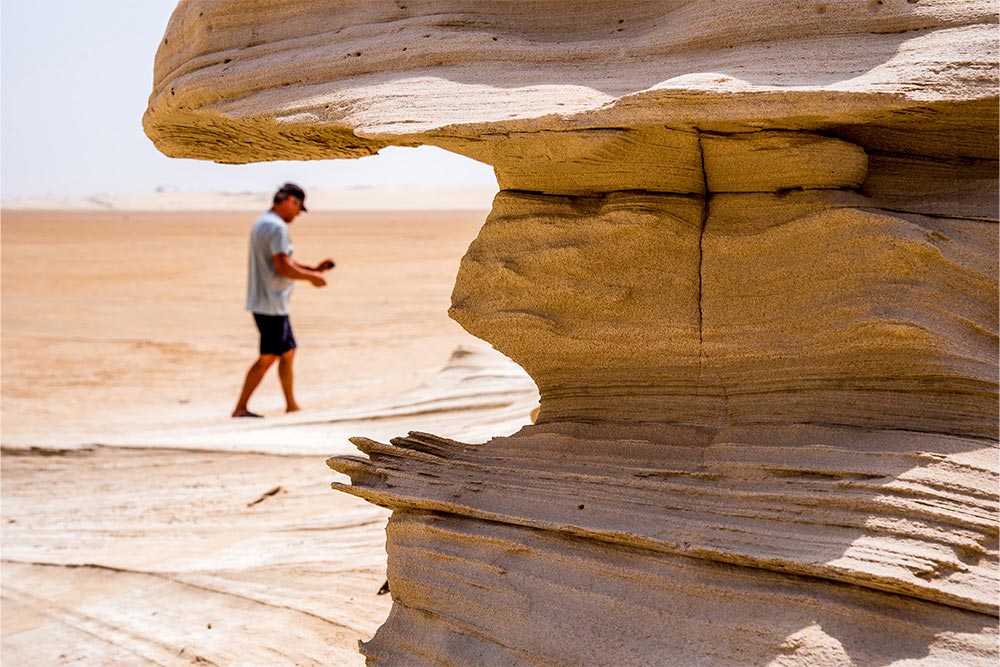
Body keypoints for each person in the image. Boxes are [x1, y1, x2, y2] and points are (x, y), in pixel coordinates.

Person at [232, 183, 334, 418]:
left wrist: (313, 269)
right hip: (270, 303)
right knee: (269, 355)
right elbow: (283, 266)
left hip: (271, 302)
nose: (298, 214)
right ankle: (240, 408)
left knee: (287, 351)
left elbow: (284, 261)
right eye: (299, 208)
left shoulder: (264, 223)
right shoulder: (276, 228)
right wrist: (311, 278)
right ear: (290, 201)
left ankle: (291, 405)